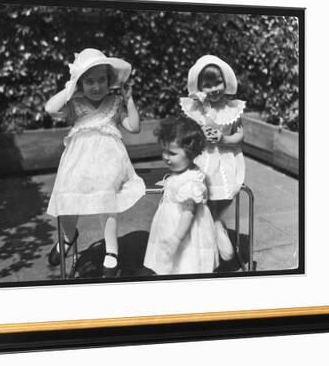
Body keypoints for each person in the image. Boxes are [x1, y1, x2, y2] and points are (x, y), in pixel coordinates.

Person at [45, 48, 146, 277]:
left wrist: (129, 101)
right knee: (67, 197)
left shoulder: (114, 103)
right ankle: (69, 237)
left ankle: (112, 251)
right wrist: (71, 86)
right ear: (80, 83)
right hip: (78, 163)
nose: (97, 86)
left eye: (101, 80)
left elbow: (134, 127)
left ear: (109, 81)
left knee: (107, 202)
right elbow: (50, 108)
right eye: (89, 81)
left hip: (108, 163)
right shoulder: (74, 103)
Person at [179, 55, 246, 262]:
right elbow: (188, 134)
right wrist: (200, 133)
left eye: (217, 83)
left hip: (224, 157)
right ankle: (211, 230)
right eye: (207, 85)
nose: (214, 89)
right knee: (202, 195)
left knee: (222, 192)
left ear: (225, 83)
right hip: (203, 157)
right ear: (199, 88)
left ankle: (216, 223)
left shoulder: (232, 108)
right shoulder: (195, 108)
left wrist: (225, 138)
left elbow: (239, 134)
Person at [143, 116, 219, 275]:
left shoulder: (190, 182)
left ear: (190, 154)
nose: (165, 157)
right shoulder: (182, 173)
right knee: (173, 263)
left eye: (171, 153)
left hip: (183, 229)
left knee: (186, 260)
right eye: (163, 151)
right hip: (171, 223)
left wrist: (176, 238)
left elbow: (188, 213)